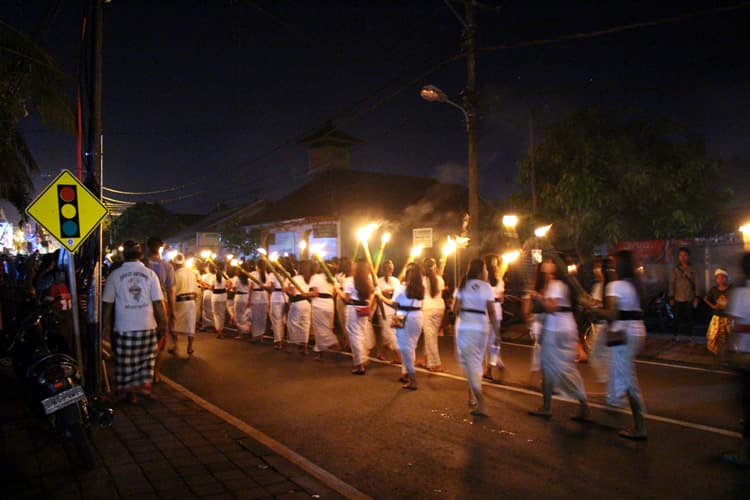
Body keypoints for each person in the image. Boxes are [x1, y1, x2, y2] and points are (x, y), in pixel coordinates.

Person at [589, 250, 648, 439]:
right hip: (636, 331)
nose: (609, 269)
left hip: (623, 334)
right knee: (625, 374)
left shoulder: (616, 285)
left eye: (612, 265)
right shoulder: (634, 285)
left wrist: (594, 309)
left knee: (628, 379)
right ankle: (635, 420)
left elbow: (612, 315)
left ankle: (640, 427)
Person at [102, 241, 167, 402]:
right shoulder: (150, 274)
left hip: (124, 326)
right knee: (146, 361)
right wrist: (164, 324)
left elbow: (107, 305)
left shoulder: (115, 275)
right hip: (147, 325)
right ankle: (143, 390)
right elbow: (158, 302)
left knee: (125, 362)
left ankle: (128, 393)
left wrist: (103, 327)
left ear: (124, 255)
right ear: (140, 255)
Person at [528, 257, 591, 421]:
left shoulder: (557, 284)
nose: (546, 263)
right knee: (555, 368)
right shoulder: (559, 284)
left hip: (556, 330)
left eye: (550, 261)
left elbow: (552, 307)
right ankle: (550, 405)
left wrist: (538, 298)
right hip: (562, 328)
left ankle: (556, 405)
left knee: (559, 368)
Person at [453, 258, 500, 416]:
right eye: (485, 269)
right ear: (480, 271)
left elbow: (455, 309)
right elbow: (492, 312)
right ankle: (473, 398)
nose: (487, 271)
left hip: (467, 326)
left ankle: (481, 402)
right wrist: (498, 333)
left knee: (469, 364)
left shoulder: (463, 285)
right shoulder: (487, 287)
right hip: (482, 326)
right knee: (477, 363)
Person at [723, 252, 750, 466]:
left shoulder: (741, 293)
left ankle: (744, 454)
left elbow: (736, 326)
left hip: (745, 354)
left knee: (746, 405)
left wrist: (727, 351)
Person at [381, 264, 424, 389]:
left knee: (406, 348)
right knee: (411, 347)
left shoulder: (401, 288)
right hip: (417, 316)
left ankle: (412, 379)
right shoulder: (421, 288)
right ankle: (406, 374)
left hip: (402, 316)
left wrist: (380, 296)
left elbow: (393, 304)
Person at [145, 237, 175, 384]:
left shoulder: (142, 264)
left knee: (145, 337)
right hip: (162, 303)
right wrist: (173, 311)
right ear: (160, 248)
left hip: (144, 304)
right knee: (160, 338)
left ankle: (146, 370)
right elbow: (171, 290)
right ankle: (155, 371)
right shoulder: (167, 266)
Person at [344, 258, 375, 375]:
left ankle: (359, 364)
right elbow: (372, 294)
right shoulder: (368, 280)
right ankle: (363, 358)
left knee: (354, 336)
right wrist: (369, 306)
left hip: (353, 309)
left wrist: (338, 290)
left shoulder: (349, 280)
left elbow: (347, 298)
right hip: (364, 308)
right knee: (361, 333)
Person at [169, 253, 198, 356]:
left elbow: (172, 291)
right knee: (190, 325)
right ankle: (189, 347)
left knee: (173, 324)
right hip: (191, 302)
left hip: (180, 301)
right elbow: (196, 289)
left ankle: (175, 346)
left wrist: (171, 307)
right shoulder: (191, 272)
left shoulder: (174, 274)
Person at [309, 260, 340, 358]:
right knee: (325, 326)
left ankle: (333, 341)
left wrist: (305, 294)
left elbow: (315, 293)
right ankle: (319, 351)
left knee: (320, 328)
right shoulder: (332, 279)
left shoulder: (316, 277)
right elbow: (335, 293)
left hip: (319, 304)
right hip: (330, 304)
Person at [420, 258, 445, 372]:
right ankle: (425, 360)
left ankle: (436, 364)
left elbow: (420, 295)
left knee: (430, 337)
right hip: (440, 307)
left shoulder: (423, 280)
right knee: (431, 335)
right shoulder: (440, 279)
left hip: (428, 308)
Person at [669, 247, 700, 341]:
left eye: (685, 255)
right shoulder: (675, 269)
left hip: (689, 297)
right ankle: (674, 335)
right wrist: (671, 297)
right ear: (678, 257)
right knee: (676, 318)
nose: (683, 257)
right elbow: (671, 283)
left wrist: (697, 297)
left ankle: (689, 336)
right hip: (678, 297)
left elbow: (697, 283)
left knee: (689, 318)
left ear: (688, 256)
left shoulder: (693, 269)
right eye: (681, 255)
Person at [285, 260, 315, 354]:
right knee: (305, 324)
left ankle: (295, 343)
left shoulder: (296, 278)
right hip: (307, 303)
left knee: (293, 323)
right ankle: (305, 346)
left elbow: (293, 293)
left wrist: (287, 290)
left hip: (297, 303)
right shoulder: (310, 279)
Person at [483, 254, 505, 379]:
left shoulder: (482, 281)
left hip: (486, 311)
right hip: (497, 311)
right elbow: (501, 298)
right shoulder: (500, 280)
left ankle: (489, 369)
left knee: (487, 342)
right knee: (495, 341)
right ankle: (496, 361)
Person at [377, 260, 401, 364]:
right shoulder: (379, 281)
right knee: (388, 333)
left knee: (391, 334)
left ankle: (400, 356)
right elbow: (376, 294)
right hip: (384, 310)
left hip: (394, 309)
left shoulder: (395, 280)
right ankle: (383, 353)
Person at [705, 267, 733, 355]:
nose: (720, 280)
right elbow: (705, 298)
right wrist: (713, 306)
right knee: (714, 335)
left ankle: (727, 352)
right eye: (718, 278)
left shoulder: (731, 289)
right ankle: (716, 352)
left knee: (727, 336)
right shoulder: (714, 290)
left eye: (723, 277)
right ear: (716, 279)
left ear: (726, 278)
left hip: (727, 317)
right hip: (717, 317)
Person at [265, 264, 287, 350]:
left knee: (276, 320)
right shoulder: (286, 274)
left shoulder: (272, 274)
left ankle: (278, 341)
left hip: (276, 298)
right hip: (284, 298)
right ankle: (282, 339)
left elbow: (272, 287)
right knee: (282, 320)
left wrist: (265, 287)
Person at [249, 260, 269, 342]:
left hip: (255, 297)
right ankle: (261, 336)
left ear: (257, 266)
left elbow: (251, 287)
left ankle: (255, 335)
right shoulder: (267, 275)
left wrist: (249, 298)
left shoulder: (253, 274)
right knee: (262, 318)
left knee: (255, 317)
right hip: (264, 297)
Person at [211, 261, 231, 338]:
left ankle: (218, 330)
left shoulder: (213, 277)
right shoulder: (225, 276)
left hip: (215, 296)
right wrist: (226, 289)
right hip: (223, 295)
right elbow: (230, 285)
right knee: (222, 314)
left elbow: (212, 287)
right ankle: (221, 330)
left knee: (216, 313)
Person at [232, 263, 251, 337]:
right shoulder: (249, 278)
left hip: (239, 297)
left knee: (238, 315)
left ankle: (242, 332)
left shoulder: (236, 278)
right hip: (246, 296)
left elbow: (234, 288)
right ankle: (247, 329)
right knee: (245, 314)